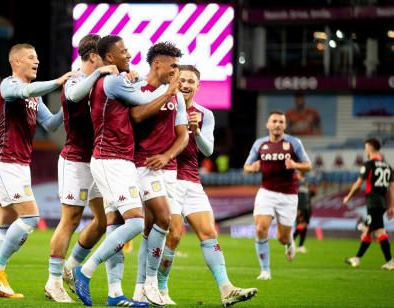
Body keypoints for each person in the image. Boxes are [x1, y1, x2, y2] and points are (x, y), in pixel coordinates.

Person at [72, 35, 180, 307]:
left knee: (117, 224)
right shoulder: (114, 81)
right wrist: (169, 91)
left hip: (117, 160)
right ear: (109, 57)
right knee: (134, 222)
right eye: (123, 50)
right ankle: (83, 271)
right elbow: (141, 101)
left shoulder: (115, 78)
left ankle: (115, 293)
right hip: (111, 159)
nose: (129, 53)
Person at [156, 65, 257, 306]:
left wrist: (196, 131)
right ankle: (160, 289)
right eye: (182, 80)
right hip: (167, 180)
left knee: (209, 233)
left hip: (192, 182)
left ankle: (225, 289)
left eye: (191, 81)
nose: (186, 85)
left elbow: (208, 150)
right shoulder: (163, 107)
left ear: (198, 86)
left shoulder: (205, 114)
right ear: (175, 82)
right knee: (175, 235)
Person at [0, 43, 74, 298]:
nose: (36, 61)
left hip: (20, 165)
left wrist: (69, 102)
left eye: (37, 57)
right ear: (16, 62)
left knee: (4, 225)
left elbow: (51, 124)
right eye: (31, 58)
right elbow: (25, 90)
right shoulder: (9, 85)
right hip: (5, 162)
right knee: (31, 217)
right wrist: (58, 81)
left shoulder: (34, 97)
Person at [45, 34, 119, 303]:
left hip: (98, 161)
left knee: (104, 221)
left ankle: (70, 266)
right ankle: (53, 282)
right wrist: (100, 71)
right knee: (71, 220)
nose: (109, 60)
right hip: (75, 160)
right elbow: (75, 95)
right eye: (103, 56)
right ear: (92, 57)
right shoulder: (74, 79)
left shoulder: (103, 81)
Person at [130, 42, 188, 307]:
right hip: (143, 164)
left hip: (168, 168)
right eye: (173, 65)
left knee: (151, 229)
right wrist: (168, 92)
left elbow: (183, 135)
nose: (176, 71)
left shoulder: (175, 95)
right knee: (163, 219)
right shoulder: (139, 88)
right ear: (157, 65)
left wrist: (167, 156)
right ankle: (152, 283)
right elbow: (138, 116)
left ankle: (141, 288)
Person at [244, 110, 312, 280]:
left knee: (281, 238)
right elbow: (246, 166)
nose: (277, 125)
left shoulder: (294, 143)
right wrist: (253, 168)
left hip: (288, 195)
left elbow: (308, 165)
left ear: (285, 126)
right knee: (260, 229)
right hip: (266, 192)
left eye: (281, 122)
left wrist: (295, 164)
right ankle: (265, 271)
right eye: (274, 121)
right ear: (268, 124)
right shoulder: (260, 144)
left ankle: (289, 241)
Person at [343, 138, 394, 270]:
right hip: (382, 203)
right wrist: (391, 206)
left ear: (370, 147)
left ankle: (390, 262)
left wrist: (348, 196)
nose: (365, 150)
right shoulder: (388, 166)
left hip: (373, 203)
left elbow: (358, 184)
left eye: (366, 147)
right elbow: (392, 188)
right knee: (375, 232)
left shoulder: (369, 165)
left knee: (373, 231)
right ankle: (357, 259)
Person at [293, 171, 314, 253]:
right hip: (301, 207)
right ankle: (291, 240)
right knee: (301, 225)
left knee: (305, 226)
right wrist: (298, 208)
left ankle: (300, 246)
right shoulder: (298, 183)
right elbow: (298, 197)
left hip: (307, 207)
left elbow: (308, 196)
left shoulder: (305, 182)